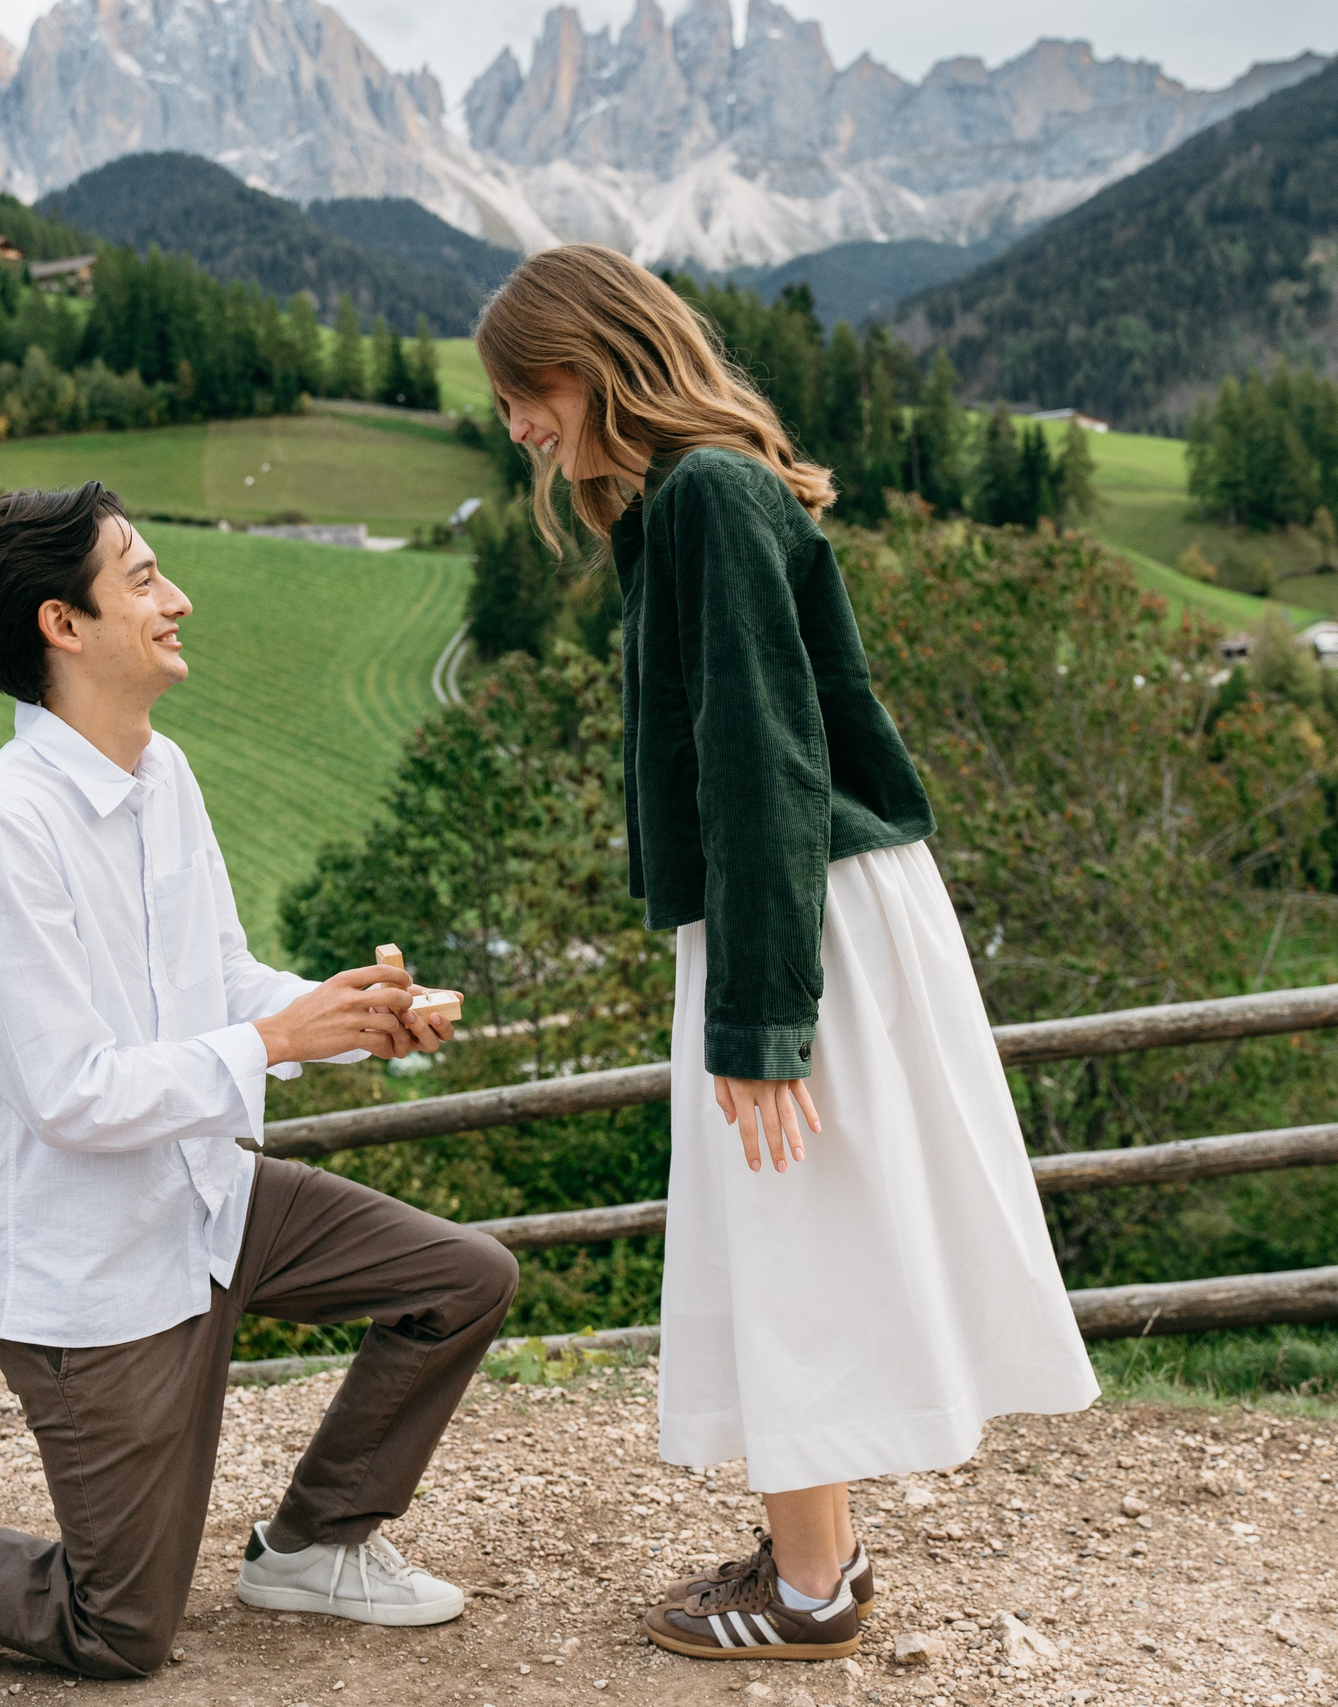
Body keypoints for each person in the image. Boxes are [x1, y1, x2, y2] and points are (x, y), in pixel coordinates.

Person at [0, 482, 517, 1676]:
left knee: (462, 1280)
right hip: (85, 1264)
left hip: (208, 1199)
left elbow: (225, 977)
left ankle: (312, 1545)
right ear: (62, 625)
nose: (177, 598)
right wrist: (281, 1044)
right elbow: (71, 1095)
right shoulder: (0, 832)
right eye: (142, 577)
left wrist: (348, 1018)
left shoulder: (164, 776)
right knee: (120, 1630)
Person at [474, 246, 1099, 1664]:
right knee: (781, 1229)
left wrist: (761, 1016)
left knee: (789, 1232)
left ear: (596, 356)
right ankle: (817, 1543)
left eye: (525, 388)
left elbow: (767, 756)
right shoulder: (686, 500)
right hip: (791, 906)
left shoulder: (706, 496)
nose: (514, 422)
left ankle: (812, 1588)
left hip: (806, 912)